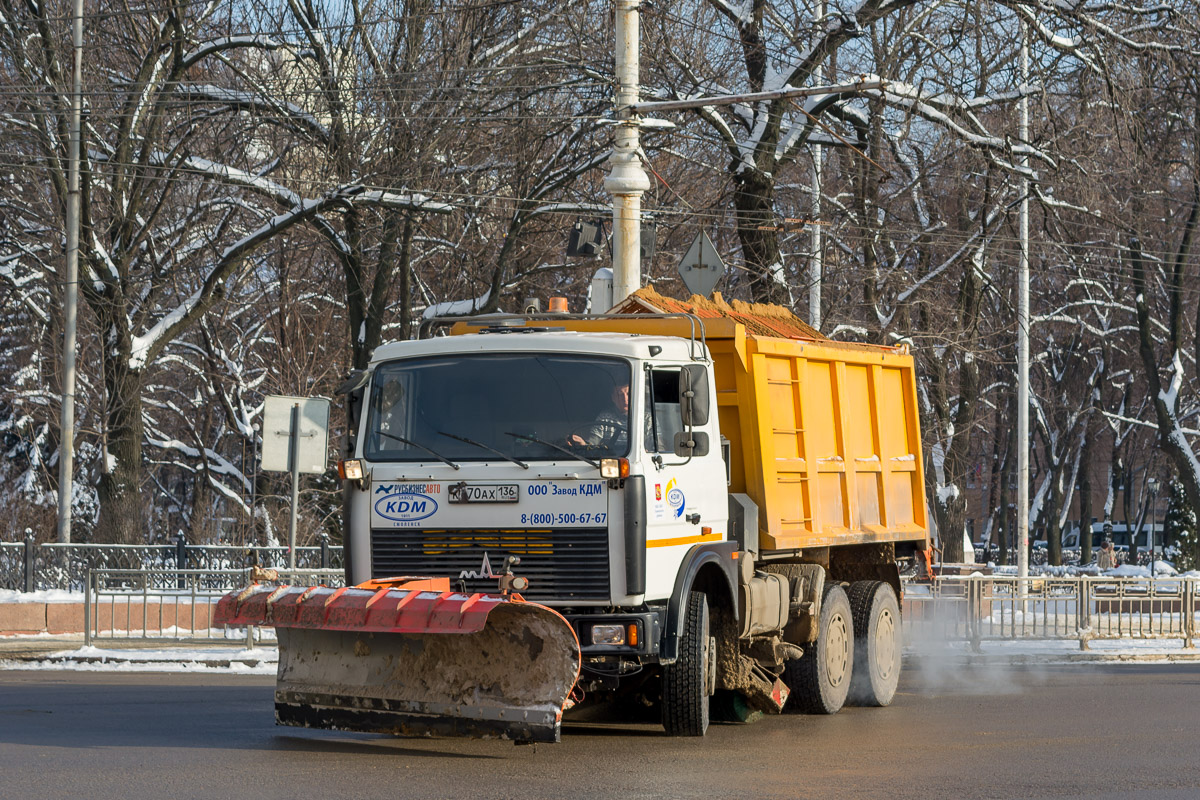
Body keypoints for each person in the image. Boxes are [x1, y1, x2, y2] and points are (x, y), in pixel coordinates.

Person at [571, 382, 631, 450]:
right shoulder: (604, 417)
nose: (625, 399)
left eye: (628, 394)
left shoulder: (644, 418)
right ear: (613, 398)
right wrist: (583, 444)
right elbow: (593, 444)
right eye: (619, 395)